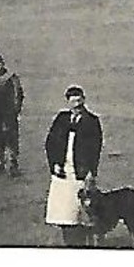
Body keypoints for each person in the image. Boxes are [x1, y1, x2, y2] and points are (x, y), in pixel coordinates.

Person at [45, 86, 103, 246]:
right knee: (63, 209)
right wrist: (55, 163)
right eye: (73, 101)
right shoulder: (62, 119)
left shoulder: (92, 121)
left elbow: (95, 148)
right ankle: (68, 241)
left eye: (79, 100)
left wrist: (92, 171)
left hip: (80, 171)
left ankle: (83, 241)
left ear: (83, 99)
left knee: (80, 208)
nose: (76, 104)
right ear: (68, 102)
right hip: (63, 170)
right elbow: (51, 142)